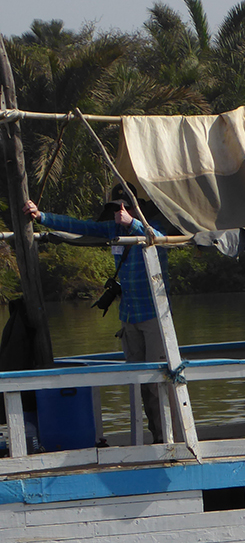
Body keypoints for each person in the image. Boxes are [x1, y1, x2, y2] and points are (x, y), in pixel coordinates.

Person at [25, 189, 174, 443]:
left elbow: (159, 240)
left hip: (154, 317)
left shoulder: (149, 227)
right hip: (129, 317)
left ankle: (170, 438)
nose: (119, 214)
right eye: (116, 209)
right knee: (140, 383)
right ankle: (157, 437)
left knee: (159, 382)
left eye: (124, 208)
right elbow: (79, 225)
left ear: (134, 208)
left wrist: (134, 223)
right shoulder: (112, 231)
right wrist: (42, 216)